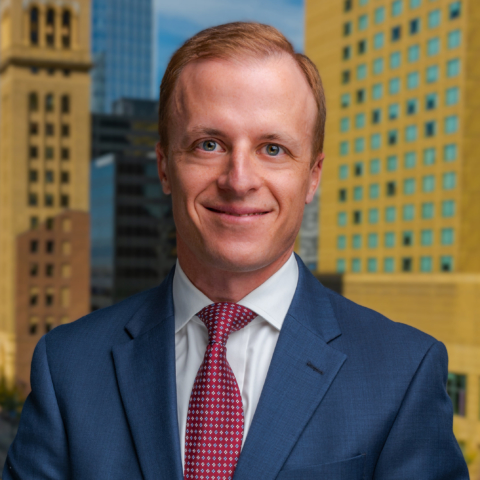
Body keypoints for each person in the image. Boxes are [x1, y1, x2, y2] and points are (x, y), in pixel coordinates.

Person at [4, 22, 468, 480]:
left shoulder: (403, 373)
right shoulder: (67, 366)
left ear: (312, 176)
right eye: (209, 145)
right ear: (164, 166)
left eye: (273, 148)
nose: (239, 180)